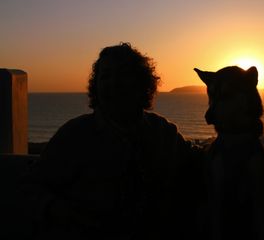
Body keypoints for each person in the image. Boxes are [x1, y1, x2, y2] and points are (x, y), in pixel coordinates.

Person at [29, 43, 206, 240]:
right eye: (105, 76)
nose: (114, 83)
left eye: (123, 75)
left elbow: (197, 164)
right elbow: (32, 188)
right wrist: (62, 211)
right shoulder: (75, 135)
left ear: (141, 83)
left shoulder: (163, 133)